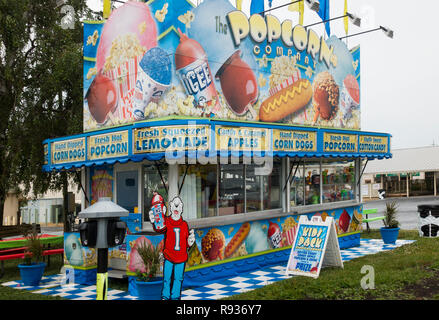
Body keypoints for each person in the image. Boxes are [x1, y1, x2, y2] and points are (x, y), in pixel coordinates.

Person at [149, 195, 195, 300]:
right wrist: (153, 222)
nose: (177, 207)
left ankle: (175, 296)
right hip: (169, 256)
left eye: (179, 205)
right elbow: (159, 228)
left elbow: (186, 242)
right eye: (174, 204)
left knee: (178, 278)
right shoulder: (167, 222)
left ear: (182, 208)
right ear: (170, 207)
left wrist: (189, 242)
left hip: (181, 257)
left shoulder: (184, 225)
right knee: (167, 278)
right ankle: (165, 296)